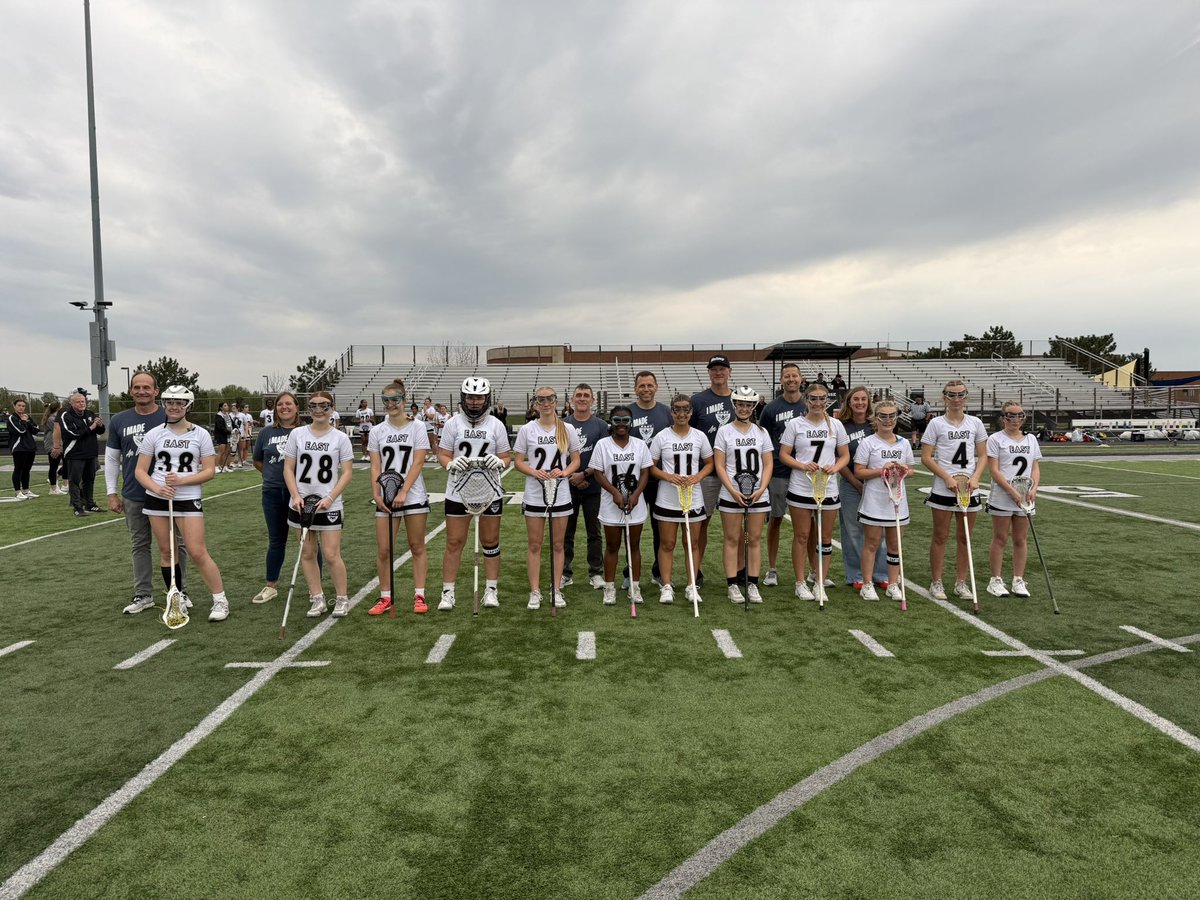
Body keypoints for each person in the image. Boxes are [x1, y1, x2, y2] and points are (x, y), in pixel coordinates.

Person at [134, 385, 229, 621]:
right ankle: (176, 598)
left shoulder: (200, 434)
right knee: (167, 552)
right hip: (158, 499)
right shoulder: (154, 434)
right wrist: (158, 488)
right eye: (170, 403)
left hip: (187, 499)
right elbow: (140, 471)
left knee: (197, 551)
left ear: (188, 406)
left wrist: (182, 480)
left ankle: (220, 600)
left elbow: (209, 471)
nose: (174, 407)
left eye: (179, 403)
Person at [106, 371, 191, 615]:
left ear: (156, 391)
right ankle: (143, 594)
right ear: (131, 391)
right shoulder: (119, 420)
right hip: (134, 492)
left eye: (147, 387)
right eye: (137, 387)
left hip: (169, 493)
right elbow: (112, 459)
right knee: (139, 544)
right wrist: (112, 492)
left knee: (177, 544)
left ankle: (180, 591)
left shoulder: (170, 416)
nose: (141, 391)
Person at [437, 377, 511, 610]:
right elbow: (443, 454)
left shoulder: (496, 425)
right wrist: (449, 464)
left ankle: (491, 590)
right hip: (458, 492)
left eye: (479, 397)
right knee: (454, 542)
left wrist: (499, 461)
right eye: (470, 396)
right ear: (463, 397)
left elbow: (507, 458)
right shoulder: (453, 424)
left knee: (490, 542)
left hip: (489, 491)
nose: (475, 401)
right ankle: (448, 592)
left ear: (486, 399)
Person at [283, 390, 355, 618]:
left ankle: (342, 598)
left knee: (332, 554)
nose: (318, 410)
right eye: (313, 405)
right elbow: (288, 468)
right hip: (301, 502)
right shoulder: (297, 434)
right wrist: (295, 495)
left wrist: (330, 497)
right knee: (307, 552)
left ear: (331, 408)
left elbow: (347, 473)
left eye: (324, 406)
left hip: (328, 504)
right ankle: (317, 598)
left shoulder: (340, 438)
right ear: (308, 409)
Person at [779, 382, 850, 601]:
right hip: (801, 485)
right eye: (813, 399)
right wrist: (802, 465)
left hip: (827, 486)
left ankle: (819, 581)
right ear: (806, 400)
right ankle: (800, 582)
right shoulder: (795, 424)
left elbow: (845, 455)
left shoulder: (836, 425)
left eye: (822, 399)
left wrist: (835, 468)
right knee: (801, 535)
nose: (818, 403)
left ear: (827, 401)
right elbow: (784, 454)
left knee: (825, 537)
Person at [921, 379, 988, 602]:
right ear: (944, 398)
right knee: (940, 536)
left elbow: (983, 455)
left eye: (960, 395)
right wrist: (947, 477)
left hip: (969, 488)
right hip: (944, 486)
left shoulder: (975, 423)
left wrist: (976, 477)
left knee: (965, 538)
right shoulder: (936, 424)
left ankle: (961, 582)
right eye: (951, 395)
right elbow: (926, 457)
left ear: (966, 397)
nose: (956, 399)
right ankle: (936, 580)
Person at [514, 387, 581, 609]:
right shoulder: (527, 429)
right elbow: (519, 461)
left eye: (549, 399)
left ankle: (556, 589)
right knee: (534, 544)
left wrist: (564, 473)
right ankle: (535, 591)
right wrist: (535, 472)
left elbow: (575, 460)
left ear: (556, 401)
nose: (545, 403)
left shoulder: (567, 428)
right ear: (536, 403)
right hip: (535, 493)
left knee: (558, 544)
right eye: (541, 400)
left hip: (560, 492)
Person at [367, 382, 431, 614]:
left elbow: (418, 462)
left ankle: (420, 595)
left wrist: (404, 491)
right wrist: (376, 492)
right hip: (386, 496)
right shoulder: (377, 431)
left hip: (413, 495)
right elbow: (376, 466)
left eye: (395, 400)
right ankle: (385, 597)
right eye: (386, 400)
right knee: (384, 549)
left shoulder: (417, 427)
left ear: (404, 399)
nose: (391, 405)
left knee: (416, 546)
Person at [251, 391, 318, 607]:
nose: (284, 407)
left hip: (301, 493)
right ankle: (271, 585)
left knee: (308, 541)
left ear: (297, 407)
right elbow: (258, 461)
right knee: (276, 540)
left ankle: (314, 588)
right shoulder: (266, 432)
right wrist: (273, 476)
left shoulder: (307, 431)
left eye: (289, 403)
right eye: (280, 404)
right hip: (272, 492)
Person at [651, 394, 714, 604]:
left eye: (685, 409)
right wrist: (667, 476)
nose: (681, 413)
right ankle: (667, 585)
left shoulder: (699, 436)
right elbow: (650, 466)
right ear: (671, 412)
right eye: (677, 409)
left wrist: (698, 477)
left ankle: (691, 584)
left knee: (692, 543)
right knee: (667, 543)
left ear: (691, 412)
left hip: (693, 497)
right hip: (668, 498)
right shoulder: (662, 437)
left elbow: (709, 462)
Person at [713, 386, 773, 603]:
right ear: (734, 405)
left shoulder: (761, 432)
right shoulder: (724, 431)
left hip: (758, 494)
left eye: (748, 405)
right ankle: (733, 585)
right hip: (732, 493)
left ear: (753, 406)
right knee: (732, 538)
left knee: (754, 539)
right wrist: (732, 490)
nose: (744, 408)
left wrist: (761, 489)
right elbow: (720, 465)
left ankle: (753, 583)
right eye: (740, 404)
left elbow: (768, 464)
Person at [588, 405, 652, 606]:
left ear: (631, 423)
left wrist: (636, 495)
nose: (621, 425)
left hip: (635, 503)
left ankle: (635, 586)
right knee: (612, 546)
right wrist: (615, 492)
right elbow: (598, 472)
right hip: (610, 503)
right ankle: (609, 587)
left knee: (634, 545)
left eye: (625, 420)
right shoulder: (602, 444)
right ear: (611, 422)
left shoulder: (640, 444)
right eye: (617, 420)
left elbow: (645, 473)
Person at [854, 400, 915, 602]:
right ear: (875, 418)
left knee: (894, 545)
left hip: (897, 500)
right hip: (874, 500)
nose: (888, 420)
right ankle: (868, 583)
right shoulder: (868, 442)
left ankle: (893, 583)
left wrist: (903, 470)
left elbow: (911, 470)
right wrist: (883, 470)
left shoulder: (904, 443)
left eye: (892, 416)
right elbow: (859, 471)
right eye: (883, 416)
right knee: (871, 543)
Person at [758, 363, 808, 587]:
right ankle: (772, 568)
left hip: (807, 473)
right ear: (781, 380)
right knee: (776, 519)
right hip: (779, 472)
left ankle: (814, 570)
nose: (790, 379)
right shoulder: (770, 409)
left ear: (801, 378)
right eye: (786, 376)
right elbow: (764, 441)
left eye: (794, 375)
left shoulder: (810, 404)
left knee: (808, 524)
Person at [835, 386, 889, 590]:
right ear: (849, 402)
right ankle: (856, 574)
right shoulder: (841, 426)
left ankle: (880, 573)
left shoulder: (875, 425)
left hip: (877, 485)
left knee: (880, 531)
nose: (859, 403)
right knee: (853, 531)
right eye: (855, 399)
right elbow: (839, 457)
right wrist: (854, 481)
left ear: (869, 402)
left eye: (863, 399)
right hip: (851, 484)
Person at [986, 401, 1041, 598]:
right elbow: (994, 470)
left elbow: (1034, 467)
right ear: (1003, 418)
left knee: (1020, 538)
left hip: (1024, 496)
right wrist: (1011, 491)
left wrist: (1034, 488)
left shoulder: (1031, 440)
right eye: (1011, 415)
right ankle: (996, 580)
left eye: (1020, 415)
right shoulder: (995, 439)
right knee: (1000, 537)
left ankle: (1018, 579)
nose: (1015, 419)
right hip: (1003, 494)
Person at [689, 355, 734, 586]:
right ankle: (697, 570)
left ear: (730, 372)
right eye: (714, 369)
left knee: (737, 523)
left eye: (722, 369)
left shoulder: (739, 399)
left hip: (736, 473)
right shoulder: (698, 401)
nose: (718, 373)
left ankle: (740, 571)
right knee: (702, 521)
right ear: (709, 373)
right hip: (705, 472)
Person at [562, 383, 609, 590]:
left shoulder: (600, 426)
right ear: (572, 400)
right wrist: (572, 475)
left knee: (594, 532)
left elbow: (603, 456)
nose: (582, 399)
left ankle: (596, 572)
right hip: (566, 486)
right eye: (578, 395)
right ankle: (564, 572)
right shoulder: (562, 424)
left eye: (586, 395)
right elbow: (559, 456)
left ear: (593, 400)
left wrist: (585, 474)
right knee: (565, 532)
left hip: (593, 486)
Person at [629, 370, 672, 586]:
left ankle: (658, 572)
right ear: (635, 388)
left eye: (649, 385)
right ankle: (630, 574)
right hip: (631, 480)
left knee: (660, 528)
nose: (646, 389)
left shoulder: (666, 412)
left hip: (659, 479)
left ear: (656, 387)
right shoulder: (627, 412)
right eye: (642, 385)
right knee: (630, 527)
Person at [56, 390, 105, 516]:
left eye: (83, 401)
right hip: (75, 453)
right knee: (75, 481)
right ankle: (77, 507)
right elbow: (73, 433)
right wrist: (91, 427)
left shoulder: (89, 413)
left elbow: (100, 431)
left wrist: (99, 425)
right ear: (72, 403)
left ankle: (90, 504)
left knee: (90, 480)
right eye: (78, 402)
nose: (81, 404)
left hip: (91, 453)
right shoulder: (66, 415)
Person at [7, 399, 40, 499]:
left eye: (23, 406)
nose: (21, 407)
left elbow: (36, 430)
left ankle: (26, 490)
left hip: (30, 447)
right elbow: (20, 431)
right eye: (19, 405)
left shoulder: (27, 417)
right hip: (19, 447)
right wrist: (23, 421)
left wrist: (27, 422)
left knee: (27, 469)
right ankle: (18, 492)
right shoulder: (12, 418)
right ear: (14, 406)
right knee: (18, 469)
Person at [40, 401, 63, 494]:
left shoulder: (57, 418)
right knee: (54, 466)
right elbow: (58, 430)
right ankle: (53, 488)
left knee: (68, 464)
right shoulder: (51, 419)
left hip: (60, 444)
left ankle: (56, 478)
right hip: (53, 445)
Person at [213, 402, 233, 472]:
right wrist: (229, 431)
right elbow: (220, 427)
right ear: (221, 408)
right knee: (221, 451)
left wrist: (236, 429)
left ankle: (224, 466)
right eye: (225, 406)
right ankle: (216, 467)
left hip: (228, 435)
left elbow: (232, 423)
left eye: (227, 405)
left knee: (227, 452)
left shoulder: (228, 415)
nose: (227, 406)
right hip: (221, 435)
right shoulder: (218, 415)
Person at [238, 403, 254, 467]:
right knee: (242, 447)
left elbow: (251, 424)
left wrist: (250, 424)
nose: (247, 408)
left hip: (249, 432)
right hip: (243, 433)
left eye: (248, 407)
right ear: (242, 408)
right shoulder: (240, 415)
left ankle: (245, 460)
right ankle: (240, 460)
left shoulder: (249, 416)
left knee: (247, 447)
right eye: (246, 407)